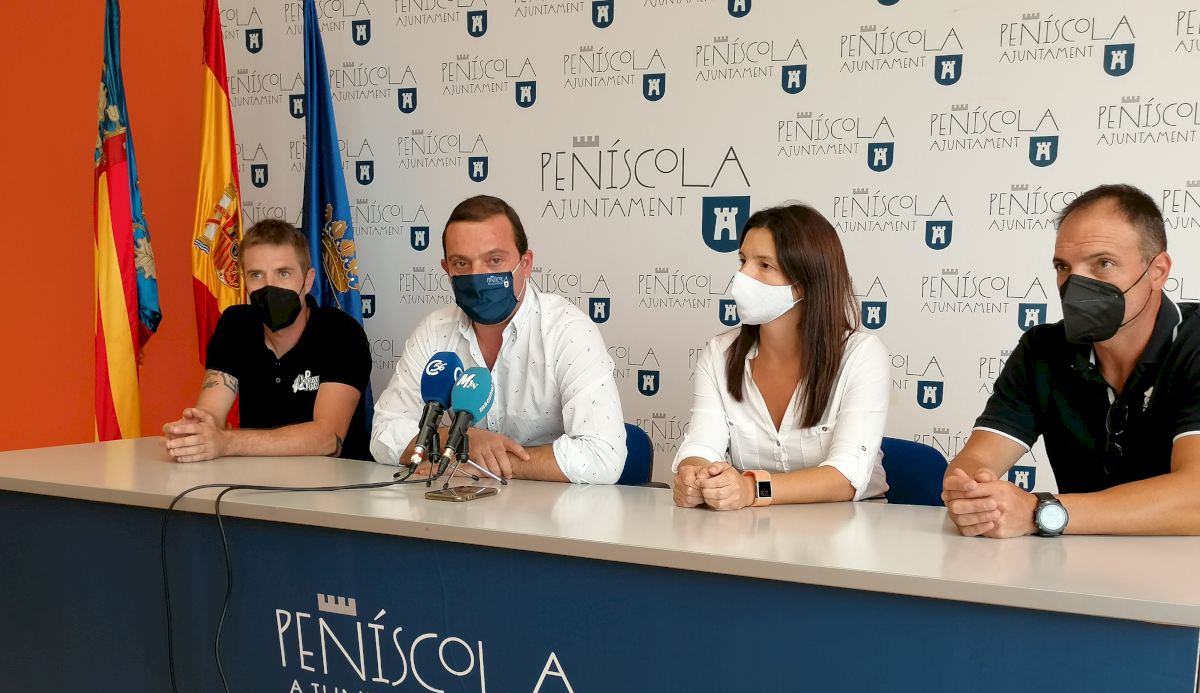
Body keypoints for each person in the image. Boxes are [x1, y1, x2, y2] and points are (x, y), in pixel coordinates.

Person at [943, 183, 1200, 537]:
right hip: (1074, 564)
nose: (1076, 284)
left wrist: (1041, 512)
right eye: (1063, 267)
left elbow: (1195, 497)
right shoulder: (1041, 349)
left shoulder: (1194, 343)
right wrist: (973, 495)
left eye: (1103, 263)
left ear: (1157, 271)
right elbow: (976, 462)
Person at [370, 195, 626, 483]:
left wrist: (484, 464)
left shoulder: (567, 331)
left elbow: (603, 457)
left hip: (550, 505)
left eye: (494, 260)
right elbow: (384, 434)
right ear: (447, 270)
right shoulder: (435, 330)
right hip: (458, 503)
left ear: (525, 264)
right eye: (461, 263)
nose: (477, 277)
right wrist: (460, 439)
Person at [672, 203, 889, 511]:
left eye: (764, 265)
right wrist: (694, 476)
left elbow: (846, 476)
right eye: (743, 260)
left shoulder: (862, 355)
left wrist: (751, 488)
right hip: (747, 528)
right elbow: (702, 443)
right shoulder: (719, 353)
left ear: (807, 280)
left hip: (852, 528)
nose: (742, 276)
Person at [163, 218, 371, 462]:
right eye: (256, 275)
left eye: (283, 273)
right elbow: (210, 413)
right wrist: (196, 434)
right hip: (254, 479)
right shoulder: (235, 324)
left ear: (308, 280)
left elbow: (328, 439)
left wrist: (226, 442)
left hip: (338, 482)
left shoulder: (341, 332)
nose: (269, 285)